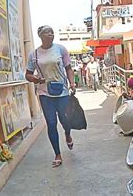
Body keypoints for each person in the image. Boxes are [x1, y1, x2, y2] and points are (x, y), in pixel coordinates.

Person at [25, 25, 75, 168]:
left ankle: (67, 133)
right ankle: (57, 154)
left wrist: (72, 83)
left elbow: (68, 68)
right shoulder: (34, 54)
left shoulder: (60, 49)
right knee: (51, 123)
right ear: (40, 36)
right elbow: (27, 74)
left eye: (52, 32)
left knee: (65, 119)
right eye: (47, 33)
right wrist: (35, 79)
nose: (51, 34)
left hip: (62, 91)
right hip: (44, 93)